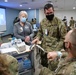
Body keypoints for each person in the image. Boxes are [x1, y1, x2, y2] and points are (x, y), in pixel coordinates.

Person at [32, 3, 67, 67]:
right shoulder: (43, 22)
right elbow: (40, 32)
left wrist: (56, 51)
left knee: (53, 68)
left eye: (51, 12)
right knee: (44, 66)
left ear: (54, 11)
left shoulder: (60, 23)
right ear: (44, 13)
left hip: (54, 51)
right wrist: (37, 38)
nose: (49, 14)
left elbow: (64, 39)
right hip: (44, 50)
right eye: (47, 13)